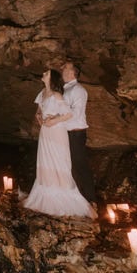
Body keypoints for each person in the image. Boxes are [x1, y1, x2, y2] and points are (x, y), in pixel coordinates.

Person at [23, 69, 95, 218]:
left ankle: (67, 196)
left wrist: (53, 121)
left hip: (56, 132)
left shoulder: (57, 95)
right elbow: (39, 110)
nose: (43, 74)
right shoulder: (42, 93)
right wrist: (39, 117)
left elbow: (69, 114)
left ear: (52, 78)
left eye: (46, 73)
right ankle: (45, 195)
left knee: (58, 162)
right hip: (46, 132)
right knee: (45, 161)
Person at [61, 61, 96, 205]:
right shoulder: (67, 89)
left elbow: (75, 113)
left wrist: (56, 120)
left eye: (65, 68)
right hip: (68, 133)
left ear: (72, 72)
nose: (62, 69)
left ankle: (90, 199)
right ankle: (78, 197)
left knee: (79, 165)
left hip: (76, 133)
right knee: (71, 166)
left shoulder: (78, 90)